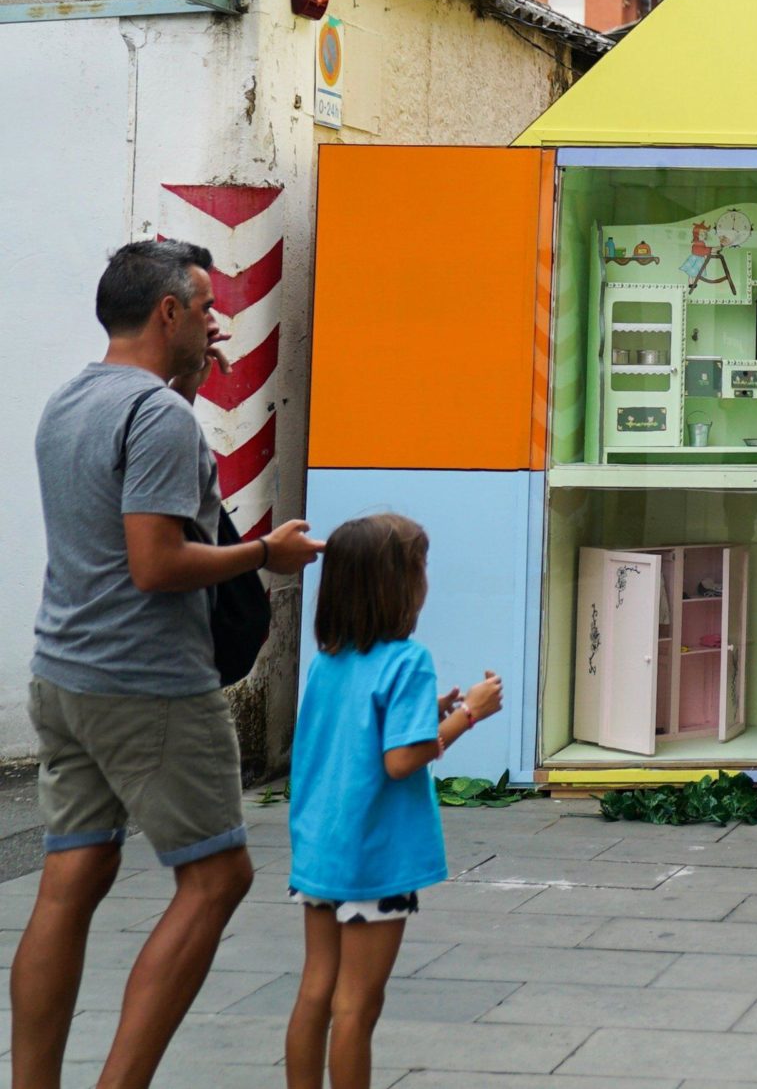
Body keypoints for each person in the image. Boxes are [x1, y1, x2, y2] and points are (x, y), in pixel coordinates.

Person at [14, 241, 324, 1089]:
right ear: (168, 313)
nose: (218, 324)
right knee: (218, 875)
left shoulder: (70, 400)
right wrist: (265, 551)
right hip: (145, 682)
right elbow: (155, 563)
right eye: (208, 307)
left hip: (64, 672)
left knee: (75, 872)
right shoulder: (157, 418)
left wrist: (183, 391)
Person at [286, 513, 503, 1089]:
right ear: (401, 583)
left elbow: (356, 739)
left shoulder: (328, 660)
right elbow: (401, 760)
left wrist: (425, 712)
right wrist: (468, 713)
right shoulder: (408, 660)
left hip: (321, 851)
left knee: (315, 991)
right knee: (357, 1006)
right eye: (421, 567)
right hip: (375, 860)